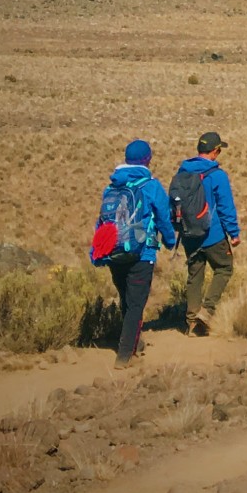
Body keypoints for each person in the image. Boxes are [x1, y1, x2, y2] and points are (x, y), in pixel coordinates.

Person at [98, 139, 177, 368]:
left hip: (114, 251)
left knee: (126, 299)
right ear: (147, 159)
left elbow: (102, 220)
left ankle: (135, 342)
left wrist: (100, 250)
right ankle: (124, 355)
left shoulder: (111, 186)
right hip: (142, 252)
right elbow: (163, 215)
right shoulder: (151, 185)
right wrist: (170, 240)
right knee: (136, 304)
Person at [172, 131, 241, 336]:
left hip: (189, 235)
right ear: (215, 151)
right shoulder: (217, 175)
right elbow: (225, 207)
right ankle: (207, 310)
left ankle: (192, 321)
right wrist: (234, 233)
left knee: (195, 275)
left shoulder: (182, 173)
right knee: (224, 268)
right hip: (213, 235)